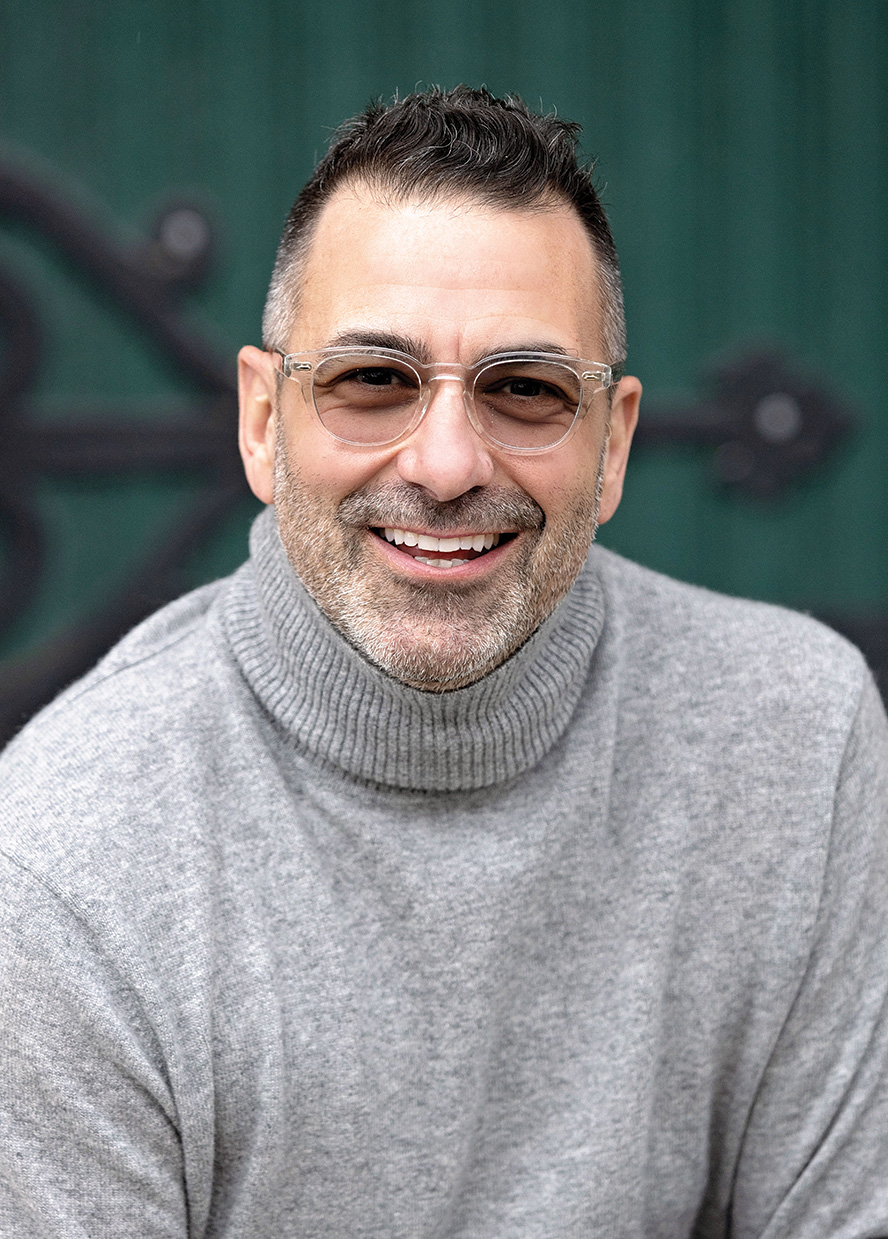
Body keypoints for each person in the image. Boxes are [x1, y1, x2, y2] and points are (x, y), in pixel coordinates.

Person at [2, 86, 887, 1239]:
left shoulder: (800, 747)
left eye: (526, 390)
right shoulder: (62, 876)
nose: (450, 461)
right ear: (264, 422)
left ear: (613, 444)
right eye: (374, 379)